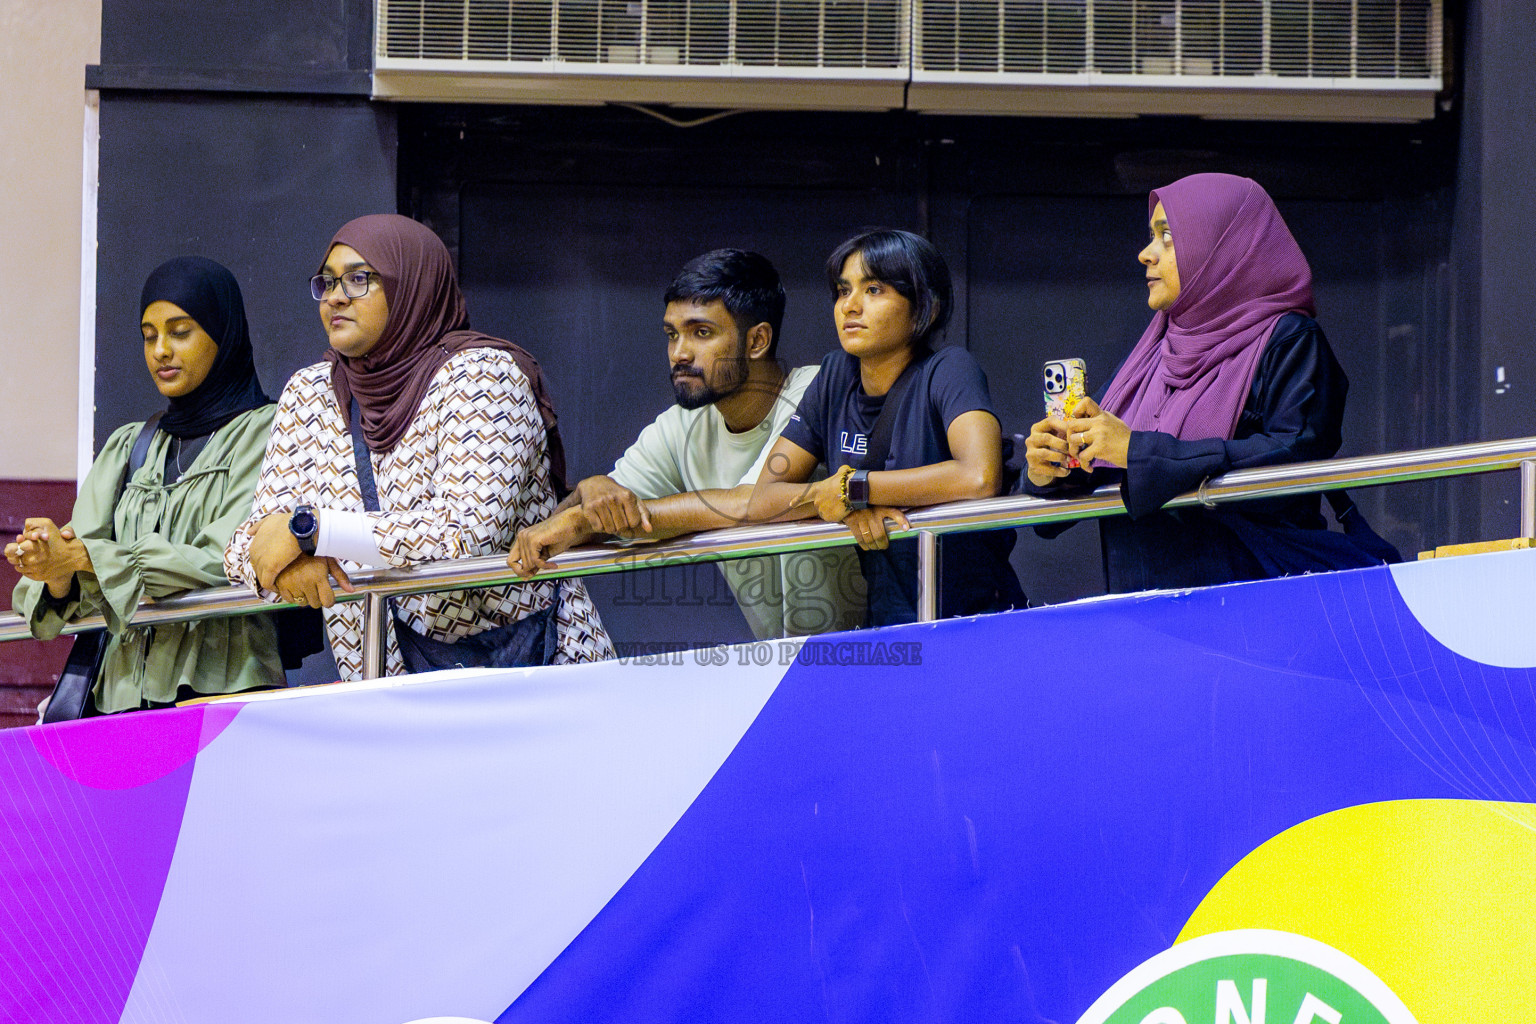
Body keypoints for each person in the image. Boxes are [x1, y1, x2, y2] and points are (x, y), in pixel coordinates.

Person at [224, 214, 612, 678]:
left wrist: (311, 533)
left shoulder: (484, 376)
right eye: (327, 282)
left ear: (411, 285)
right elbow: (246, 546)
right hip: (388, 696)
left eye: (359, 279)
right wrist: (285, 566)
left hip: (539, 678)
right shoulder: (309, 393)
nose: (336, 297)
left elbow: (465, 534)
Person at [1024, 172, 1389, 593]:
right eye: (1151, 236)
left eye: (1166, 237)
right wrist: (1052, 467)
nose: (1146, 254)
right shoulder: (1156, 348)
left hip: (1253, 609)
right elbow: (1110, 466)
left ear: (1220, 246)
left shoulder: (1289, 339)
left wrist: (1139, 451)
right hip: (1146, 614)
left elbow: (1294, 458)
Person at [508, 249, 864, 639]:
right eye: (672, 334)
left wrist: (584, 518)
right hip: (786, 663)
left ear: (757, 340)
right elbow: (616, 513)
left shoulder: (817, 390)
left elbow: (751, 501)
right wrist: (593, 492)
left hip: (882, 647)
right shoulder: (684, 425)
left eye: (702, 333)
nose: (679, 353)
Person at [8, 257, 285, 713]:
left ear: (223, 334)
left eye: (180, 332)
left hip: (226, 695)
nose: (160, 350)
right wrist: (55, 569)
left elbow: (230, 556)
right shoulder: (129, 445)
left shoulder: (266, 431)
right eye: (149, 335)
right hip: (116, 703)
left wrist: (87, 558)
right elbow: (82, 561)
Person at [747, 228, 1025, 627]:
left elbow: (979, 476)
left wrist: (856, 488)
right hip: (889, 625)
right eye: (844, 291)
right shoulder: (834, 376)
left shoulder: (949, 369)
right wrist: (842, 504)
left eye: (874, 290)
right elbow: (763, 499)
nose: (850, 306)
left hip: (977, 621)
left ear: (924, 308)